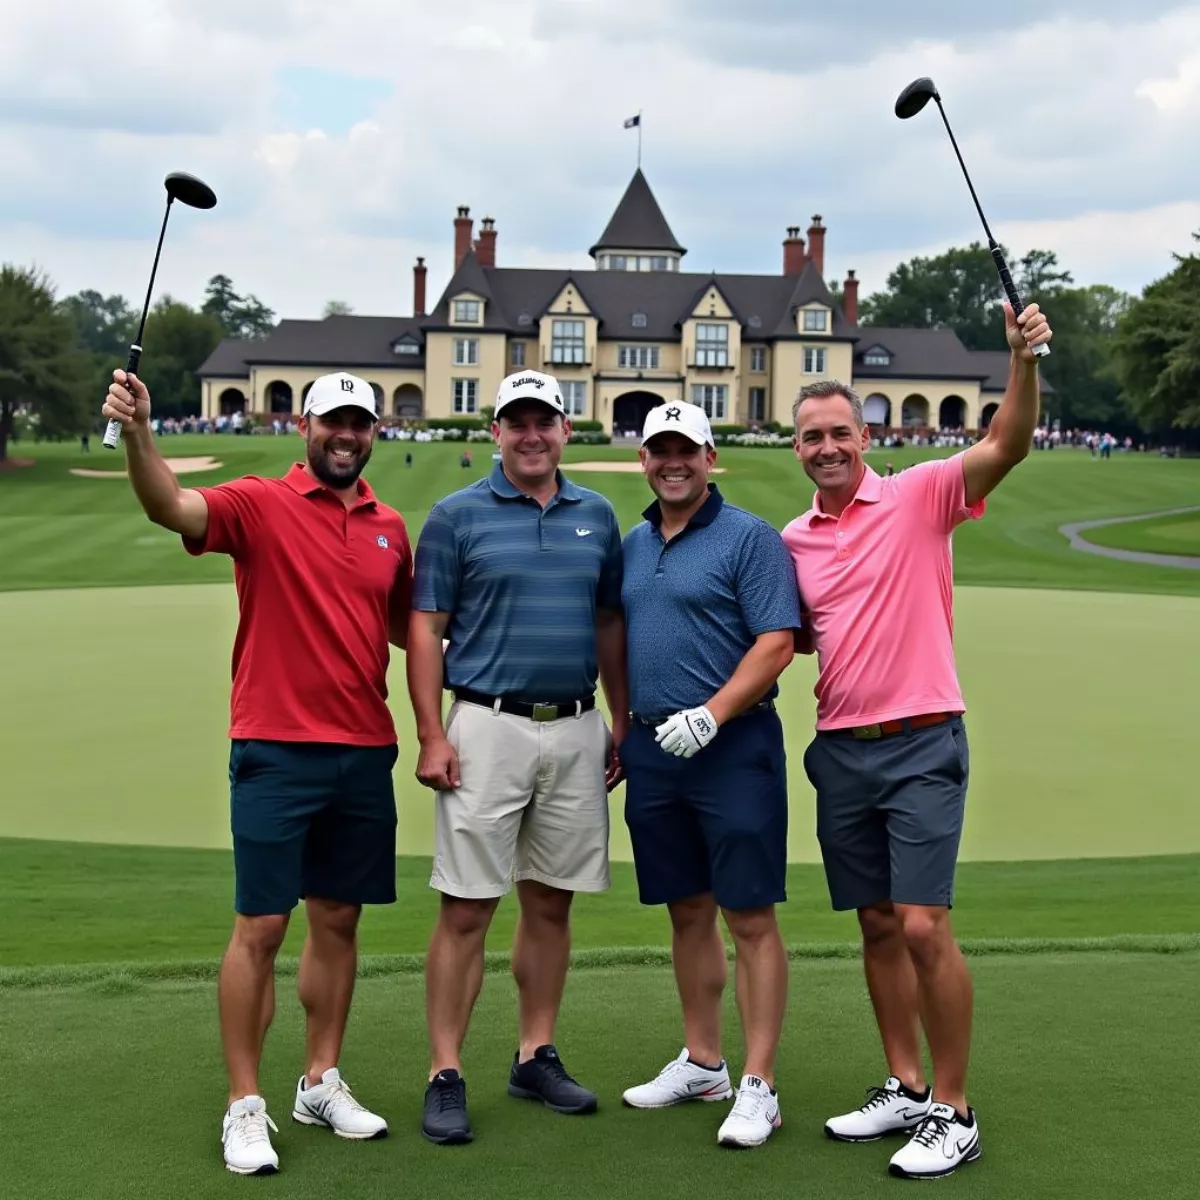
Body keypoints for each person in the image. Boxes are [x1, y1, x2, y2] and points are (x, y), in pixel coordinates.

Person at [101, 368, 413, 1176]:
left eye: (360, 424)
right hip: (275, 746)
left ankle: (320, 1079)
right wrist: (139, 434)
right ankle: (245, 1104)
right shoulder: (258, 503)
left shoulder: (389, 526)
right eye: (334, 422)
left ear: (373, 432)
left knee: (339, 919)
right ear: (306, 426)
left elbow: (416, 629)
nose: (347, 435)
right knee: (263, 926)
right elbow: (169, 505)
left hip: (363, 748)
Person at [780, 302, 1053, 1180]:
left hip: (923, 739)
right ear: (798, 449)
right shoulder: (793, 541)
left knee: (924, 924)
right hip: (840, 746)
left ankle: (953, 1106)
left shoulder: (921, 494)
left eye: (838, 433)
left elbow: (1007, 444)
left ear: (864, 437)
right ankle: (901, 1084)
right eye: (811, 436)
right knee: (874, 924)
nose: (826, 447)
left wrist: (1021, 361)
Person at [406, 368, 628, 1145]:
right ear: (495, 432)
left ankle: (535, 1053)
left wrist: (620, 720)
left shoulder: (598, 516)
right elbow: (427, 628)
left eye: (545, 421)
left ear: (566, 429)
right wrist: (432, 732)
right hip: (485, 725)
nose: (531, 434)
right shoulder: (455, 516)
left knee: (551, 899)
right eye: (516, 421)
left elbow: (607, 626)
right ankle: (445, 1070)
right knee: (467, 906)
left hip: (574, 725)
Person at [617, 401, 801, 1149]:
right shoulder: (631, 545)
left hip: (732, 747)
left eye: (686, 450)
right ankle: (704, 1062)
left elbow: (777, 641)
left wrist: (712, 714)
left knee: (749, 915)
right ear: (644, 460)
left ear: (709, 456)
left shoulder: (749, 537)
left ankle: (759, 1083)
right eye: (660, 450)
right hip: (654, 750)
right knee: (686, 909)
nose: (673, 462)